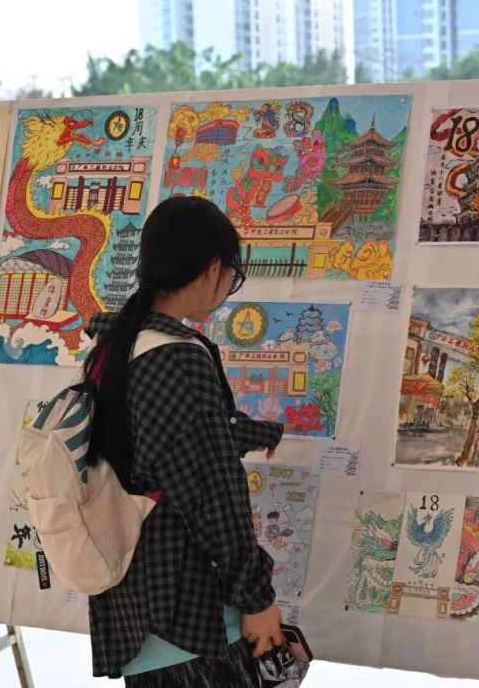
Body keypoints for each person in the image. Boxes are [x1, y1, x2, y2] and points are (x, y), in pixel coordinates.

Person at [82, 196, 285, 686]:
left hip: (133, 606)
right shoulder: (177, 358)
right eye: (232, 275)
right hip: (188, 616)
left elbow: (154, 445)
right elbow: (213, 496)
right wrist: (257, 599)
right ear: (213, 268)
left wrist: (249, 433)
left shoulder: (114, 347)